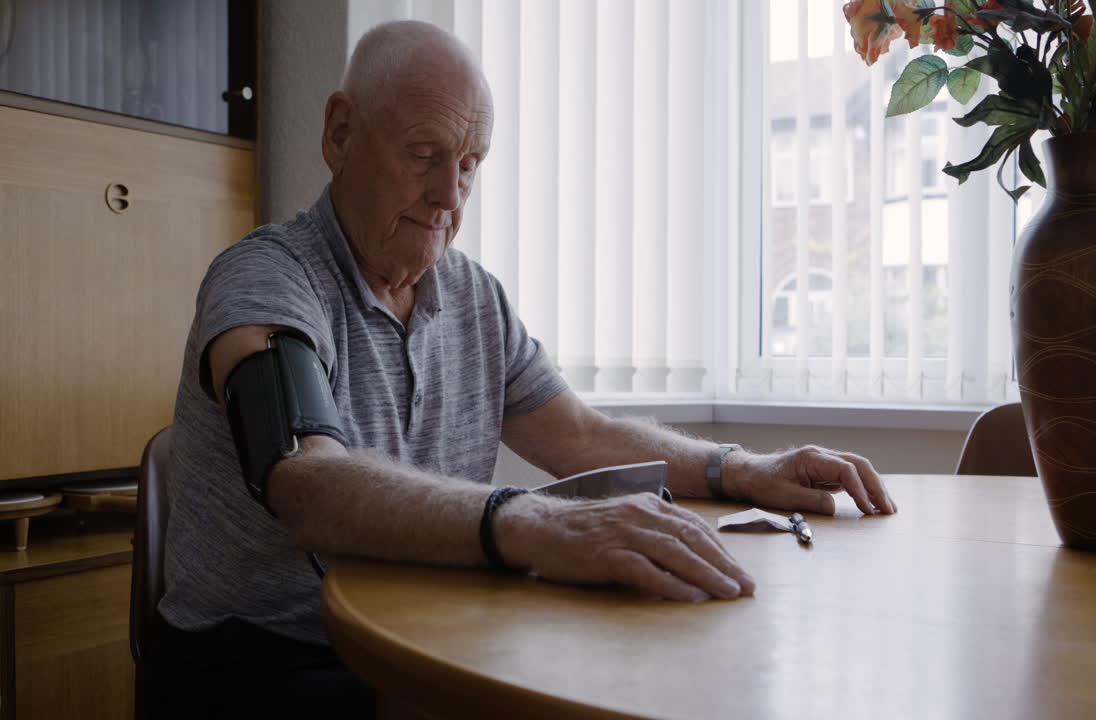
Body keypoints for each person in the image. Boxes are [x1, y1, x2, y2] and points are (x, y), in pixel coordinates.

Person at [150, 19, 897, 719]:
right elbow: (303, 479)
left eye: (469, 165)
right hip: (263, 664)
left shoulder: (474, 297)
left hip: (426, 632)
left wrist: (740, 469)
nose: (449, 196)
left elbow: (575, 434)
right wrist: (534, 521)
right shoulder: (265, 279)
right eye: (424, 155)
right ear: (341, 133)